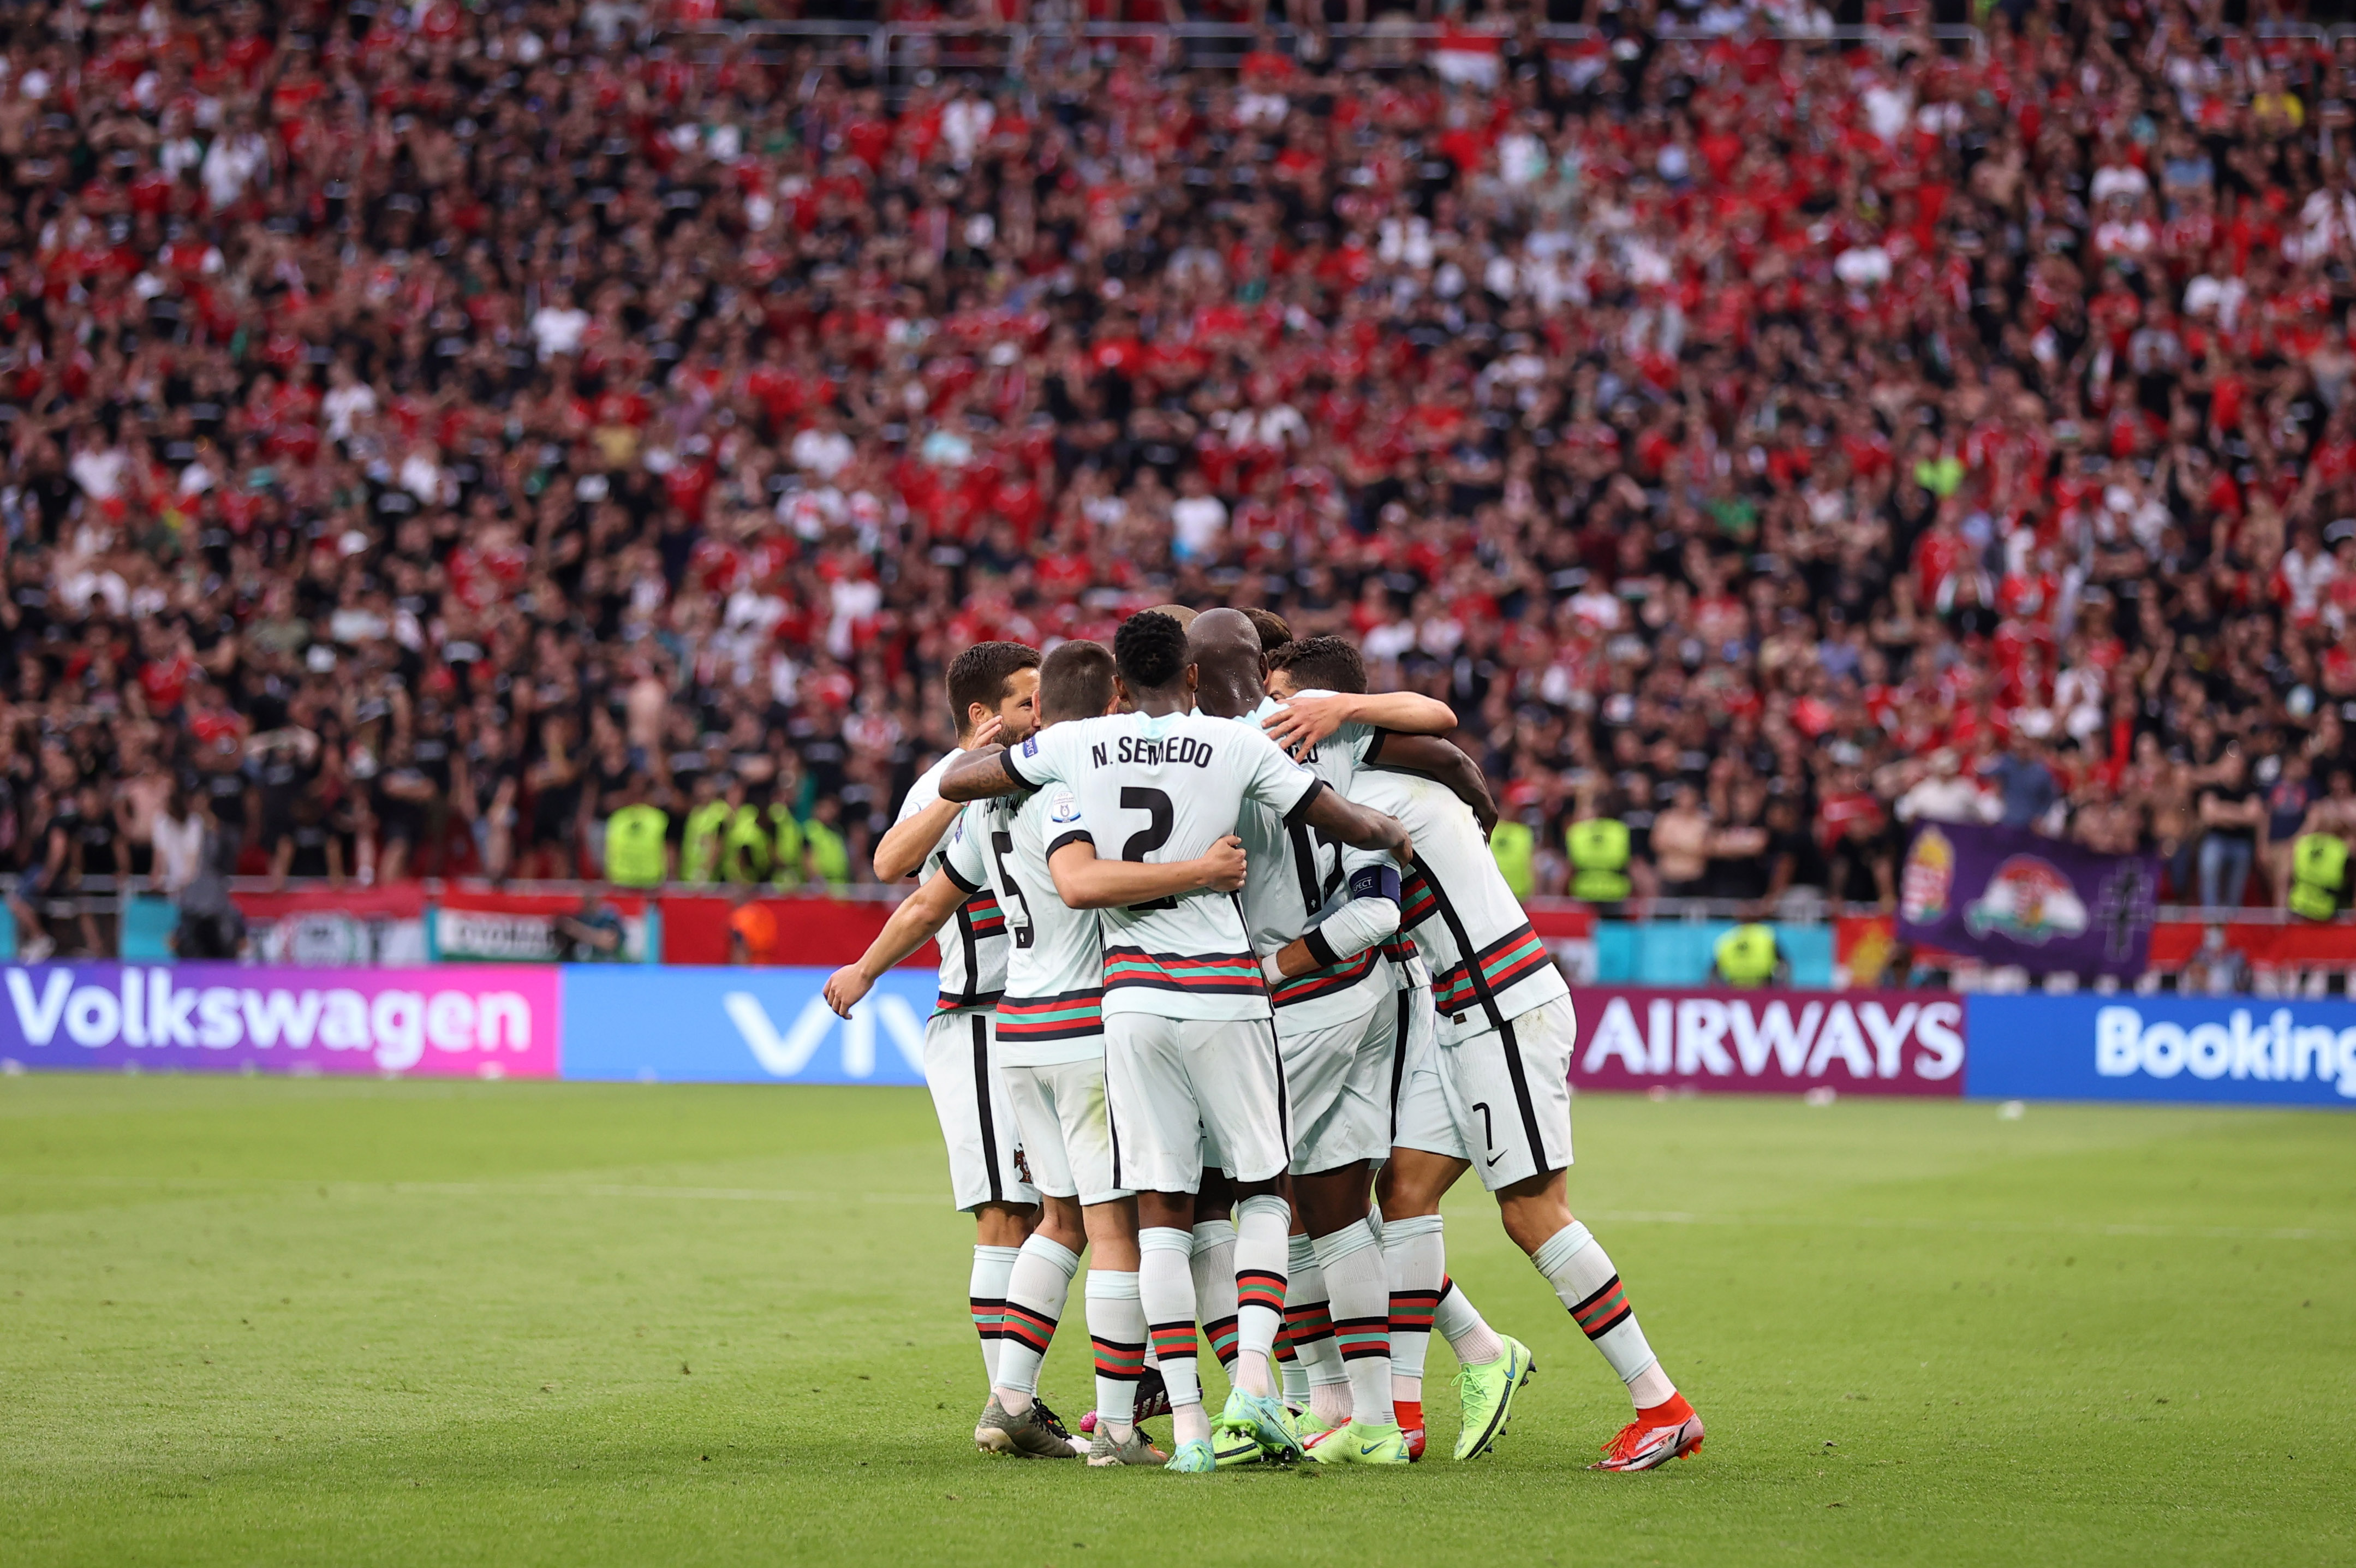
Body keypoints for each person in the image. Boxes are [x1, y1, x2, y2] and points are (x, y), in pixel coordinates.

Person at [938, 611, 1413, 1474]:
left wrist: (1005, 757)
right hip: (1226, 990)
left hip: (1130, 1003)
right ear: (1192, 678)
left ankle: (1188, 1429)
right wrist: (1391, 836)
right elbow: (1336, 816)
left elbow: (969, 782)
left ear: (1120, 685)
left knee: (1158, 1208)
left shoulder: (1081, 747)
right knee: (1264, 1191)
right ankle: (1258, 1390)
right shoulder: (1234, 745)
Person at [1327, 696, 1708, 1472]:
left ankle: (1662, 1406)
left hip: (1501, 1008)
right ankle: (1400, 1415)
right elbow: (1451, 755)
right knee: (1402, 1190)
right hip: (1459, 1011)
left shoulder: (1373, 797)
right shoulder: (1401, 781)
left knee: (1532, 1211)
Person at [1188, 612, 1459, 1466]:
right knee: (1336, 1212)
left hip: (1293, 1000)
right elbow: (1439, 735)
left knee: (1249, 1205)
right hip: (1367, 989)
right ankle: (1371, 1417)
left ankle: (1266, 1400)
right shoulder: (1325, 729)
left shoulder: (1209, 751)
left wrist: (1269, 967)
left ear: (1194, 677)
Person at [836, 641, 1048, 1452]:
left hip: (1038, 1015)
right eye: (1026, 702)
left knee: (1042, 1212)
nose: (1041, 714)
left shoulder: (1038, 767)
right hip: (980, 1013)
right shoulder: (943, 781)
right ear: (982, 715)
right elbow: (892, 861)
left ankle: (1029, 1398)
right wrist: (970, 780)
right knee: (1003, 1211)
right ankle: (1010, 1407)